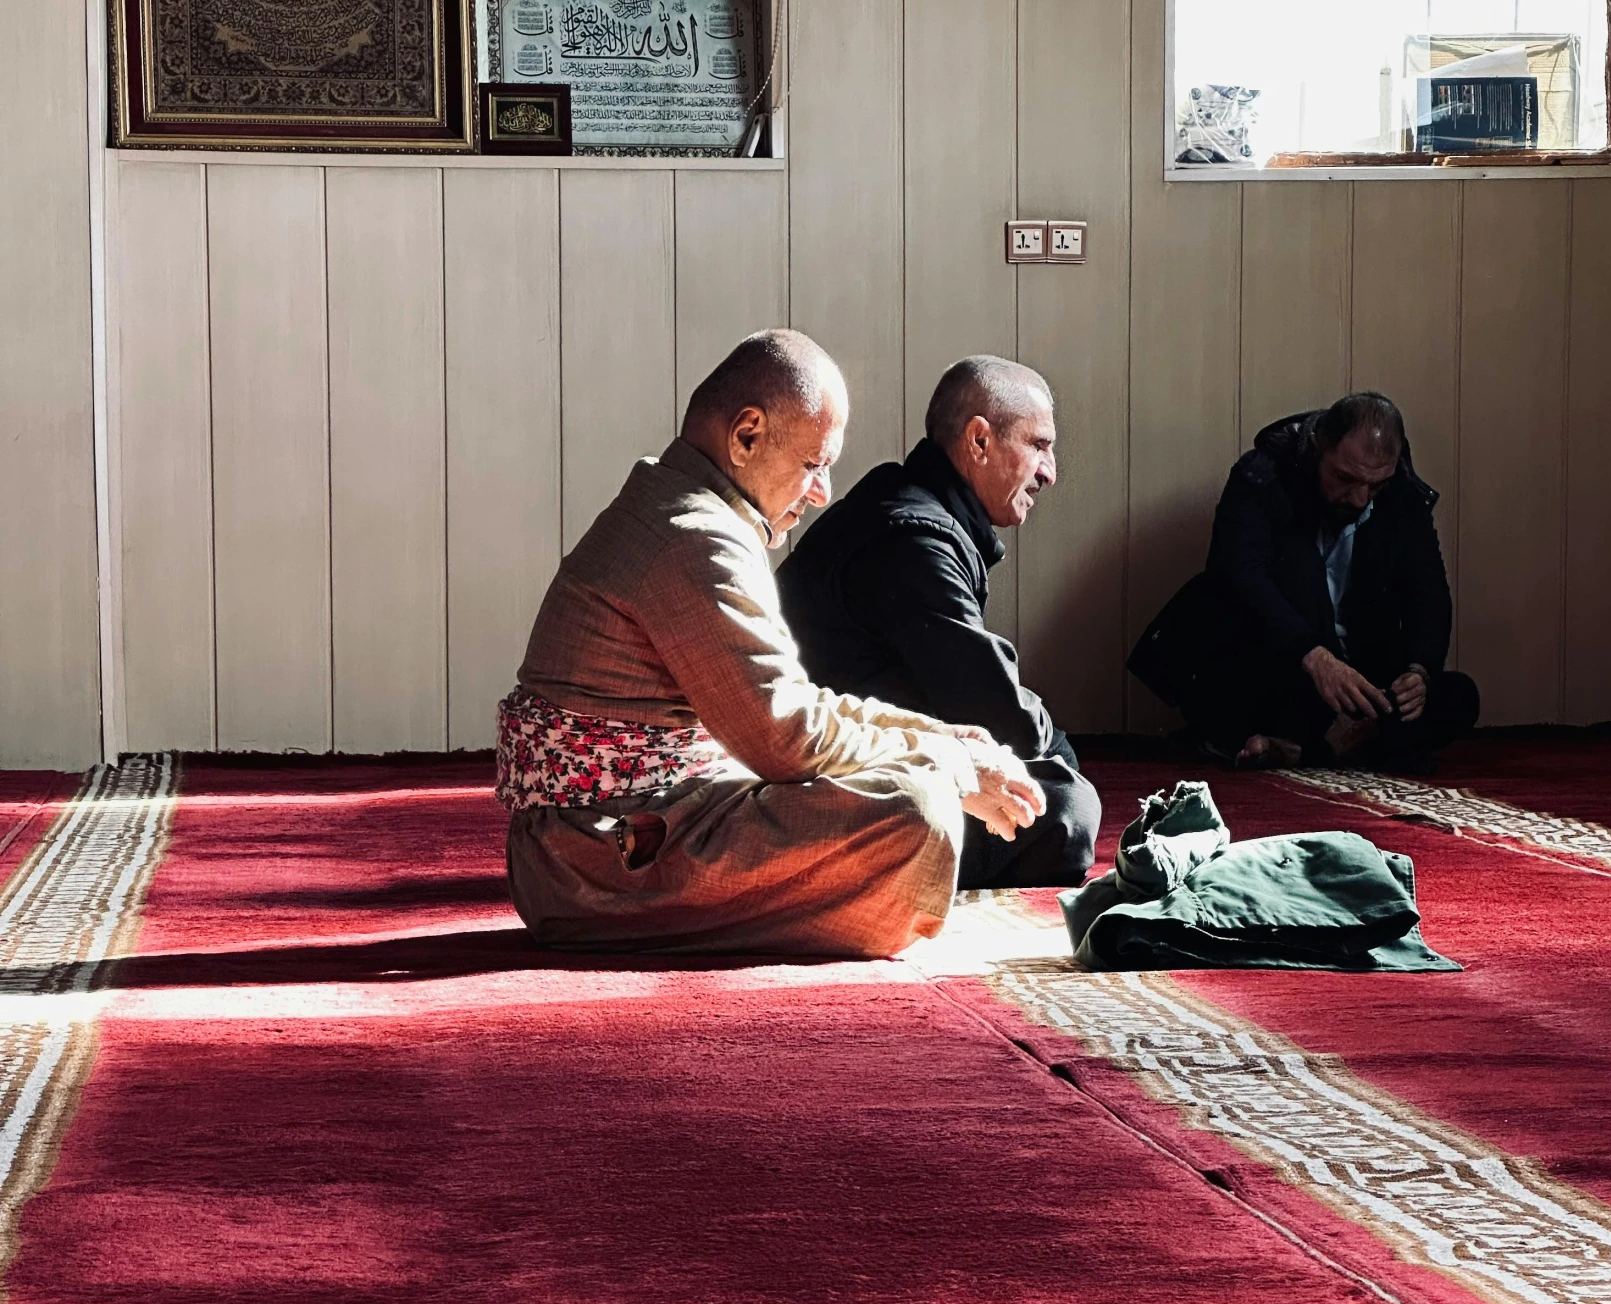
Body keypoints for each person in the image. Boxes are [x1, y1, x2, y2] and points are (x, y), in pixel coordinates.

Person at [497, 329, 1045, 959]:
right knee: (918, 812)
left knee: (923, 789)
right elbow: (787, 740)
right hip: (595, 865)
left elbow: (792, 703)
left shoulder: (683, 509)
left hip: (590, 848)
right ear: (747, 434)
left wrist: (942, 738)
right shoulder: (693, 536)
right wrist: (950, 766)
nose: (822, 493)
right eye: (814, 464)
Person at [777, 356, 1102, 888]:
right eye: (1039, 446)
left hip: (840, 760)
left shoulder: (907, 508)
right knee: (1062, 809)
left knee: (1048, 791)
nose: (1050, 471)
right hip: (820, 783)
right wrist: (1058, 754)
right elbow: (999, 713)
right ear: (979, 442)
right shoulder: (913, 538)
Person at [1128, 392, 1480, 768]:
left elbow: (1429, 591)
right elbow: (1239, 578)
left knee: (1460, 696)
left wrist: (1419, 671)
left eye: (1375, 486)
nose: (1360, 498)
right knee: (1290, 574)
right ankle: (1341, 744)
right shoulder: (1260, 477)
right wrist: (1316, 660)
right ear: (1317, 449)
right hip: (1278, 663)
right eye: (1346, 478)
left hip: (1357, 679)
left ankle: (1310, 749)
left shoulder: (1401, 494)